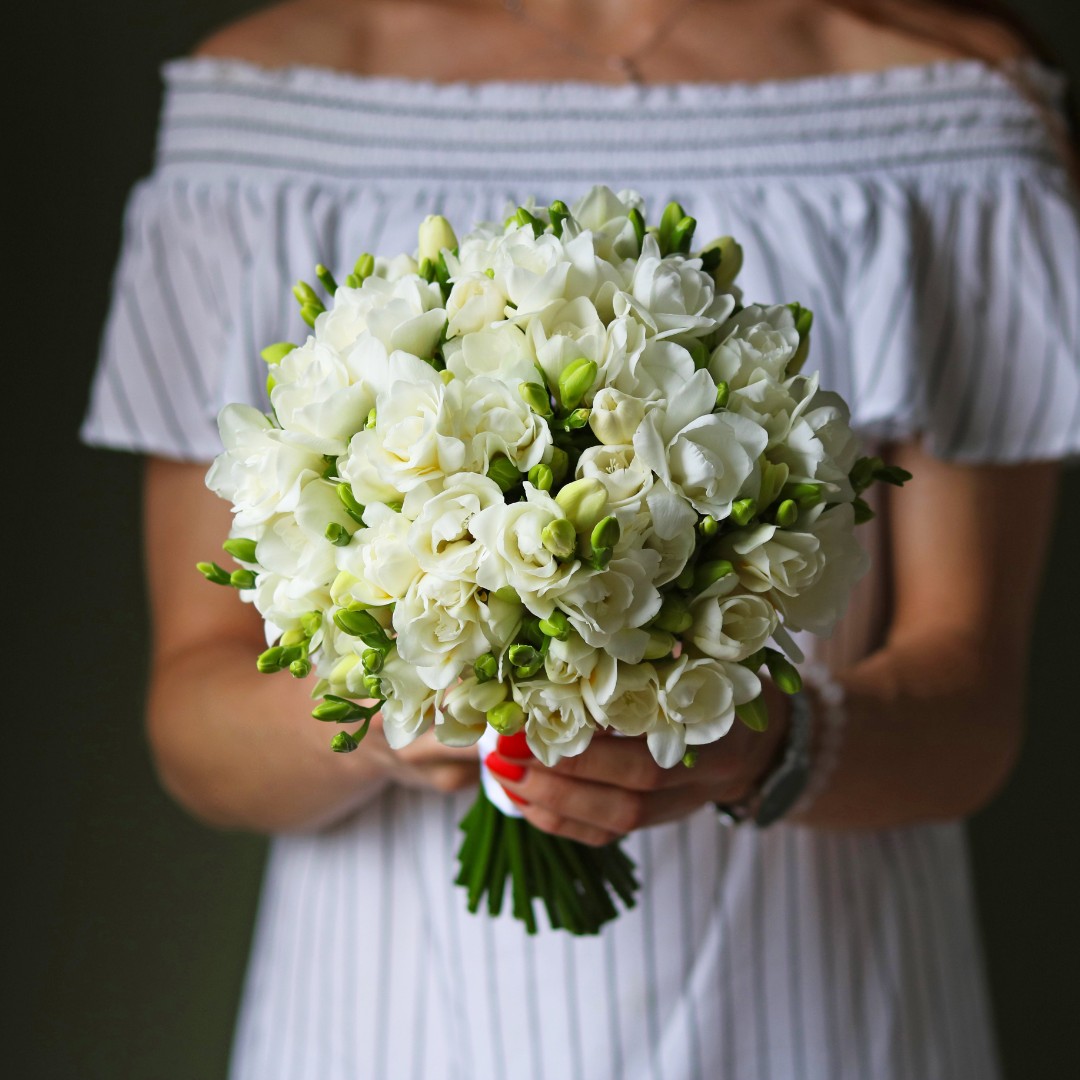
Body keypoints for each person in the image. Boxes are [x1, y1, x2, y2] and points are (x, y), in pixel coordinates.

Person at [80, 1, 1080, 1076]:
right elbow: (195, 722)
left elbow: (971, 702)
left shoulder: (946, 98)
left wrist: (764, 747)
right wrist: (394, 706)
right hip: (387, 1023)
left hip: (820, 1007)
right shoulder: (271, 109)